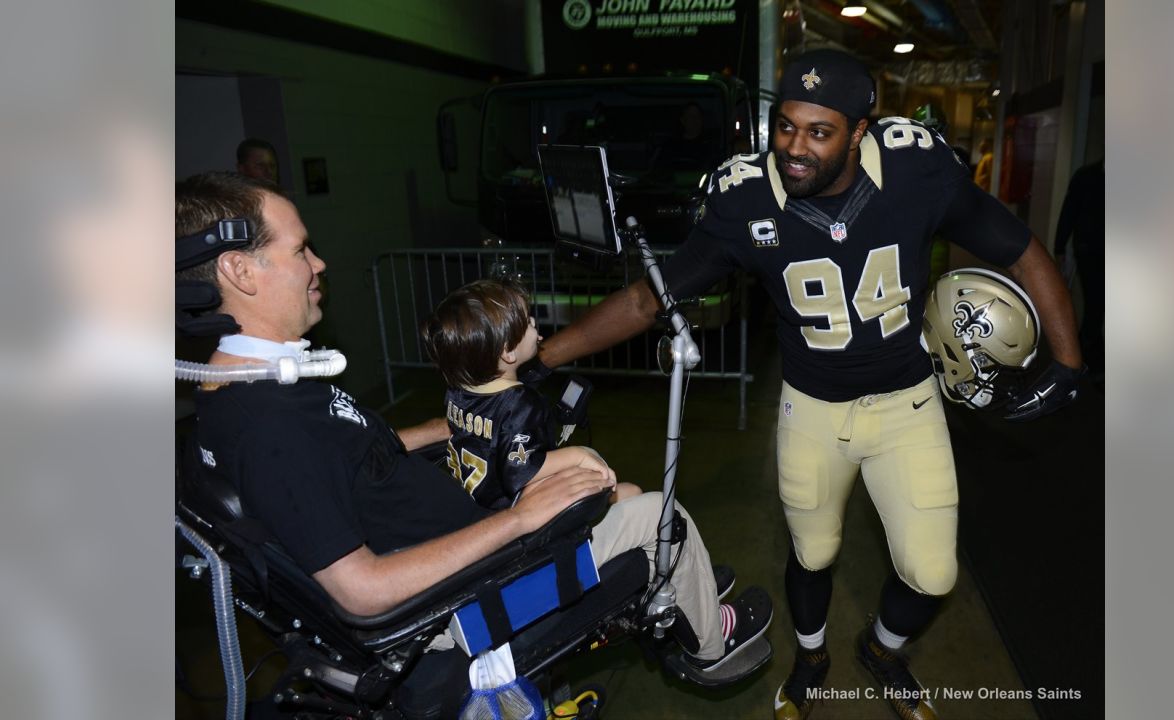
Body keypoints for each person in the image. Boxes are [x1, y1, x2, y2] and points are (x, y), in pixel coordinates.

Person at [522, 49, 1085, 720]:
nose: (795, 147)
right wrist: (545, 356)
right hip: (812, 408)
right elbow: (650, 300)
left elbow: (1019, 247)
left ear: (860, 131)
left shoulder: (915, 170)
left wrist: (1069, 364)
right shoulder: (745, 198)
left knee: (933, 573)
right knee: (813, 554)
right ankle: (812, 653)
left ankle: (882, 650)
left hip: (907, 403)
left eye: (819, 132)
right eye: (785, 126)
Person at [177, 172, 772, 718]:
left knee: (598, 478)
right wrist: (521, 521)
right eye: (299, 248)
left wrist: (450, 429)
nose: (318, 262)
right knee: (658, 514)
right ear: (240, 271)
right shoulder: (271, 427)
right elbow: (362, 592)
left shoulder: (242, 390)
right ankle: (712, 648)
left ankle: (682, 580)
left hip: (459, 541)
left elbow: (354, 455)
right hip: (464, 599)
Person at [423, 278, 642, 510]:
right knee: (631, 492)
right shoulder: (520, 404)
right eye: (527, 322)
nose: (534, 322)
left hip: (475, 505)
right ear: (507, 352)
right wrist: (578, 455)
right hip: (513, 513)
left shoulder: (457, 391)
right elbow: (520, 471)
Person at [1053, 159, 1104, 379]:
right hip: (1090, 250)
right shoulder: (1086, 175)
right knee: (1096, 304)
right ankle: (1089, 361)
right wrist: (1060, 246)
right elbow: (1069, 211)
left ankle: (1088, 354)